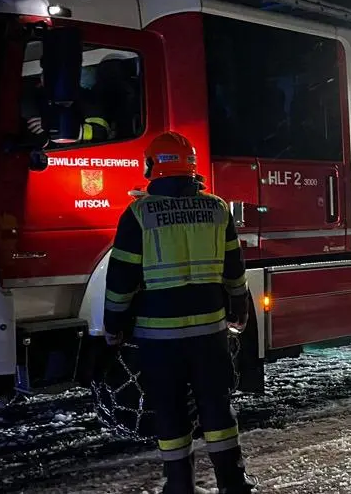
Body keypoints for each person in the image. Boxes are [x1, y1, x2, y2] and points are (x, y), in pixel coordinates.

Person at [102, 131, 256, 494]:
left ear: (152, 167)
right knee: (217, 407)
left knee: (170, 410)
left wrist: (114, 325)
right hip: (209, 331)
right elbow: (235, 268)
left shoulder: (138, 213)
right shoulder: (217, 208)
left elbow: (121, 277)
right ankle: (232, 483)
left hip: (159, 337)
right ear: (191, 167)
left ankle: (178, 485)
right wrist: (238, 307)